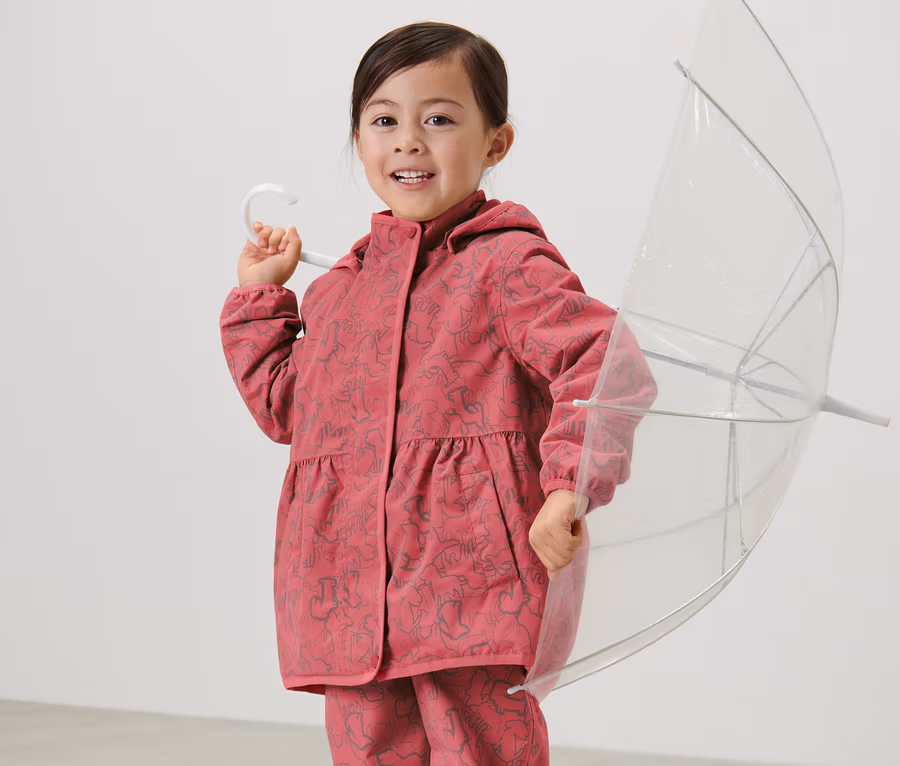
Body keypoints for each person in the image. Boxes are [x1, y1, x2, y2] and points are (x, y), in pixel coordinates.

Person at [220, 21, 655, 766]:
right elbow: (289, 410)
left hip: (472, 583)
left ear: (496, 143)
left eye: (440, 119)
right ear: (357, 139)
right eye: (384, 121)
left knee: (481, 750)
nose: (409, 143)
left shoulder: (506, 265)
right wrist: (261, 299)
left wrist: (568, 484)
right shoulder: (339, 290)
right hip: (347, 591)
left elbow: (605, 362)